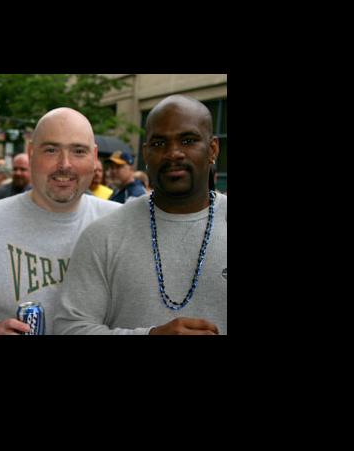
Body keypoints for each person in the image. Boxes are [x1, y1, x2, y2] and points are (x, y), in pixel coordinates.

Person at [55, 94, 227, 335]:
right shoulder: (103, 235)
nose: (173, 153)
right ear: (145, 154)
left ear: (212, 149)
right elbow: (69, 328)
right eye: (159, 143)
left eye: (188, 140)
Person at [0, 107, 121, 334]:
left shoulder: (121, 225)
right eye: (51, 150)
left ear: (94, 157)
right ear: (31, 152)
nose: (65, 164)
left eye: (78, 151)